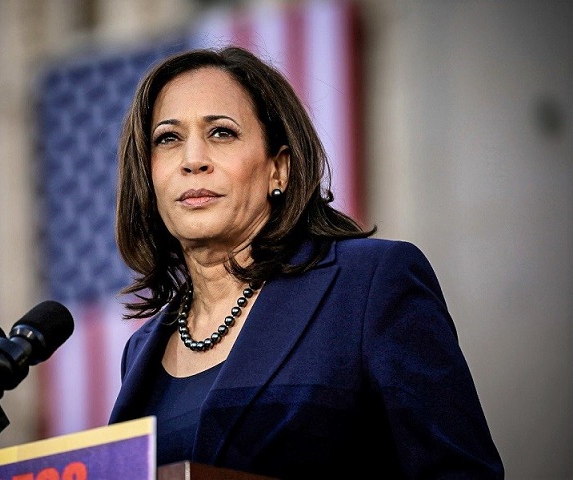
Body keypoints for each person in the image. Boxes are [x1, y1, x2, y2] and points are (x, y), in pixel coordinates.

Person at [108, 46, 504, 479]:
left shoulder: (370, 285)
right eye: (168, 139)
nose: (192, 160)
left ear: (278, 169)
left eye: (221, 132)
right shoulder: (141, 350)